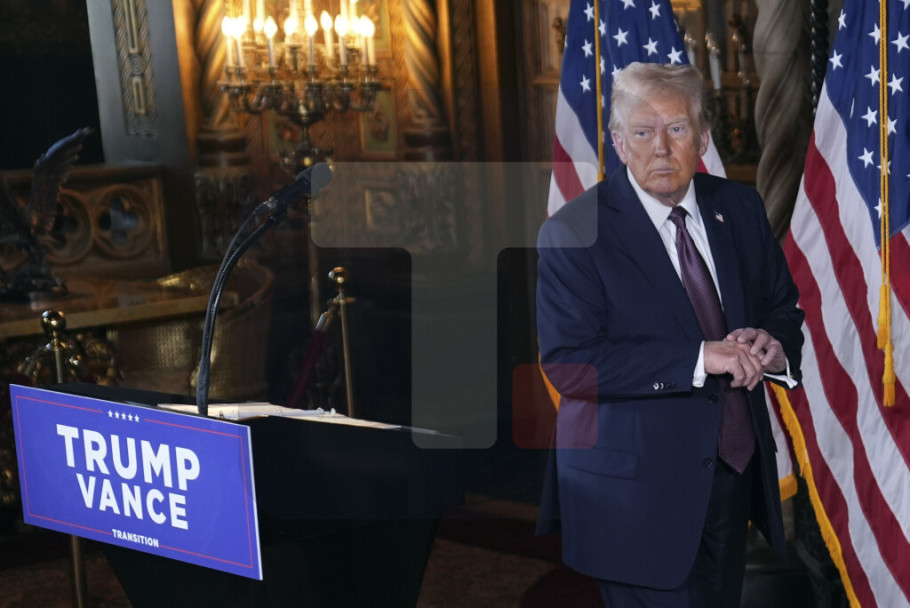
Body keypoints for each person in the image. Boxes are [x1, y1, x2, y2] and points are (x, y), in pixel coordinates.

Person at [535, 62, 805, 607]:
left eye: (677, 128)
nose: (661, 147)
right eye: (643, 132)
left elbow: (783, 309)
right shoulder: (573, 232)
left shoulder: (739, 207)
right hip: (635, 496)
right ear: (618, 143)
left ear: (702, 138)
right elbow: (572, 365)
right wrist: (700, 358)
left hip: (731, 476)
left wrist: (774, 347)